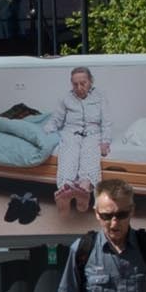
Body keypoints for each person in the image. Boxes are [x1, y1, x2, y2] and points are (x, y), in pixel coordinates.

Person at [53, 67, 110, 203]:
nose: (79, 87)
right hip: (71, 132)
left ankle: (85, 186)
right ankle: (66, 187)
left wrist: (105, 141)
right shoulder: (65, 98)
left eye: (83, 83)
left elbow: (106, 122)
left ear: (90, 81)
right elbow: (57, 120)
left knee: (90, 151)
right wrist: (47, 132)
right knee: (68, 152)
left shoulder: (100, 97)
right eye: (75, 84)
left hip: (93, 133)